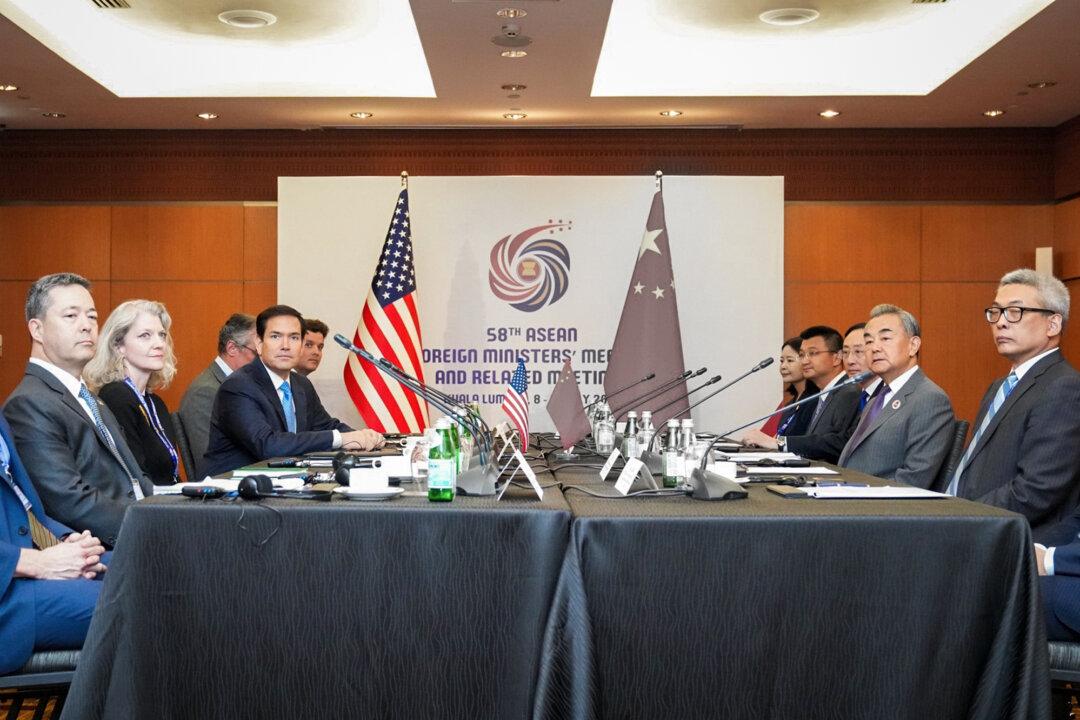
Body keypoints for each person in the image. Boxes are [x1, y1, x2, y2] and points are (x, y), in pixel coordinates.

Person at [3, 273, 151, 548]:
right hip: (102, 548)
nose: (87, 326)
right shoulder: (29, 404)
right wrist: (153, 525)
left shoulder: (92, 399)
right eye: (71, 316)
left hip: (139, 528)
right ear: (37, 330)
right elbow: (70, 501)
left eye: (92, 317)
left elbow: (136, 480)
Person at [948, 269, 1080, 540]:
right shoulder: (999, 386)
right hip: (969, 526)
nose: (1001, 323)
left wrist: (960, 515)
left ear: (1052, 325)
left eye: (1015, 312)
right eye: (996, 312)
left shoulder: (1064, 387)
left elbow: (1037, 489)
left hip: (1011, 540)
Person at [203, 305, 384, 476]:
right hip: (233, 494)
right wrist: (341, 439)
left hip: (286, 484)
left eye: (294, 337)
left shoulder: (300, 384)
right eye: (275, 336)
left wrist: (367, 437)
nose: (285, 345)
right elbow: (268, 446)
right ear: (259, 343)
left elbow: (326, 426)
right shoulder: (238, 387)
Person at [0, 412, 108, 675]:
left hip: (22, 569)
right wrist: (38, 563)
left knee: (150, 570)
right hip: (9, 597)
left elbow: (20, 507)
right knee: (135, 602)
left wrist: (65, 543)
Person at [837, 304, 955, 488]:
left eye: (885, 338)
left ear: (913, 345)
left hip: (880, 509)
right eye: (868, 341)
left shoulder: (930, 399)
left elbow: (913, 479)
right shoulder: (878, 398)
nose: (874, 348)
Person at [84, 300, 182, 486]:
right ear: (118, 346)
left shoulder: (155, 402)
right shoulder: (115, 397)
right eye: (145, 335)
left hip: (168, 503)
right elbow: (134, 478)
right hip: (145, 510)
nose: (159, 344)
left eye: (161, 335)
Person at [743, 326, 861, 463]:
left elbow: (838, 444)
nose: (805, 361)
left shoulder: (849, 392)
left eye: (813, 353)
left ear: (836, 357)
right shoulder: (825, 394)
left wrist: (780, 443)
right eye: (802, 355)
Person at [175, 313, 256, 480]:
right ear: (232, 348)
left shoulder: (240, 386)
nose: (262, 361)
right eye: (256, 353)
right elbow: (213, 463)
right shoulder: (205, 392)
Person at [759, 337, 818, 438]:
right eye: (782, 361)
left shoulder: (815, 400)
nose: (783, 366)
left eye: (790, 360)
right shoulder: (789, 405)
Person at [841, 323, 879, 412]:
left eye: (858, 351)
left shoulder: (886, 396)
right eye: (845, 352)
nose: (850, 361)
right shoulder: (850, 398)